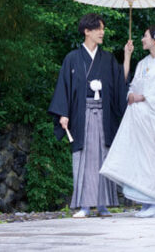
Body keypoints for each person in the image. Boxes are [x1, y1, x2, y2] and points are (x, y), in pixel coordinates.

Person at [99, 25, 155, 218]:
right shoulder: (142, 63)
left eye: (146, 36)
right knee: (140, 158)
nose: (142, 39)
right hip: (140, 117)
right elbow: (134, 84)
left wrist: (144, 97)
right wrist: (131, 94)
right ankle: (144, 201)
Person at [48, 13, 133, 218]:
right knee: (83, 158)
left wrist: (127, 55)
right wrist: (63, 113)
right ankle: (85, 205)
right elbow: (64, 88)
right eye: (98, 29)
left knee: (104, 156)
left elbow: (120, 83)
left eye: (103, 29)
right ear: (87, 31)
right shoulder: (72, 58)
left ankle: (102, 205)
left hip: (103, 114)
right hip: (80, 114)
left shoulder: (108, 58)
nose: (102, 33)